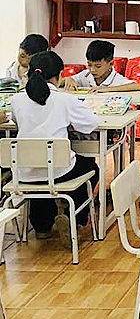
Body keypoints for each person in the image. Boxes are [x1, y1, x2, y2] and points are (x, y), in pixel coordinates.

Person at [7, 51, 99, 245]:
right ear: (59, 76)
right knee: (90, 167)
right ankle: (74, 217)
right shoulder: (64, 100)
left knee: (39, 170)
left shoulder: (16, 100)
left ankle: (41, 226)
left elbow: (17, 123)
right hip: (59, 170)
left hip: (23, 173)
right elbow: (91, 124)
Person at [61, 40, 140, 92]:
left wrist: (107, 89)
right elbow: (60, 82)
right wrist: (68, 79)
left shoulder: (115, 79)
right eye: (89, 65)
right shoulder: (85, 75)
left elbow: (136, 86)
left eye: (98, 66)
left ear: (111, 64)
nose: (92, 70)